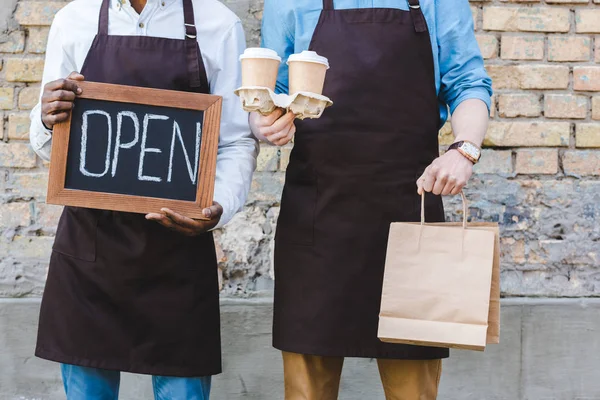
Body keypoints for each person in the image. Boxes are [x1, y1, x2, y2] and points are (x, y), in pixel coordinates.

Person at [251, 0, 493, 398]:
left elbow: (468, 82)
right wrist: (262, 122)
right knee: (306, 387)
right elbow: (272, 91)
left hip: (411, 208)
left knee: (412, 386)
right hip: (318, 216)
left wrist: (463, 150)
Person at [29, 0, 257, 398]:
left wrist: (216, 207)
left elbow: (235, 139)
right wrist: (46, 118)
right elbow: (53, 142)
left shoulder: (218, 24)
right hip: (91, 252)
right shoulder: (74, 21)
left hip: (178, 255)